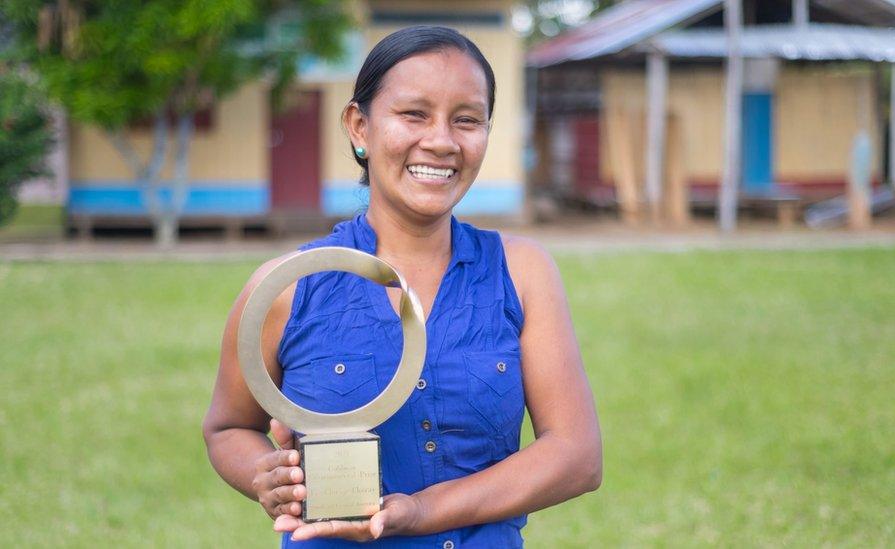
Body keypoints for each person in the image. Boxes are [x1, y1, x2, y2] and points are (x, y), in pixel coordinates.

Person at [202, 25, 601, 547]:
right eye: (414, 114)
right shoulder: (287, 288)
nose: (440, 141)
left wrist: (421, 510)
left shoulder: (522, 273)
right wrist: (266, 477)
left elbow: (576, 454)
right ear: (359, 127)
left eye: (467, 120)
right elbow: (228, 428)